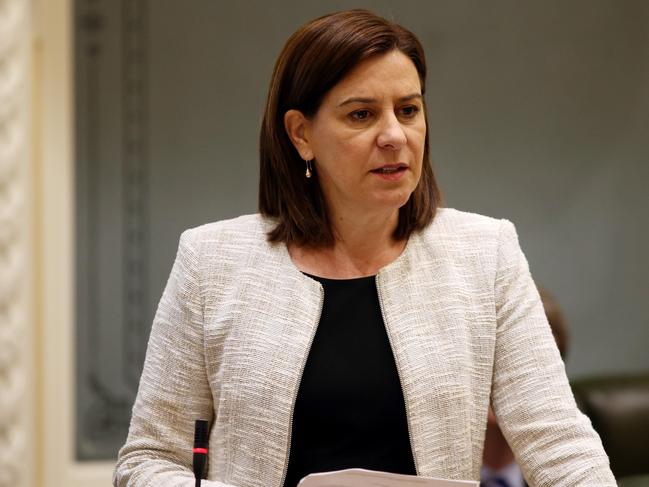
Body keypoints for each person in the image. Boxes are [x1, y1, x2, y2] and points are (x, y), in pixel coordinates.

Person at [113, 9, 615, 487]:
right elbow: (148, 460)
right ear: (301, 133)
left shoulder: (486, 254)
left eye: (409, 110)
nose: (395, 135)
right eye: (362, 114)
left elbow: (561, 445)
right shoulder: (211, 262)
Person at [480, 288, 570, 487]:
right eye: (494, 357)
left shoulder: (580, 465)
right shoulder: (411, 462)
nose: (505, 378)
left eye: (525, 364)